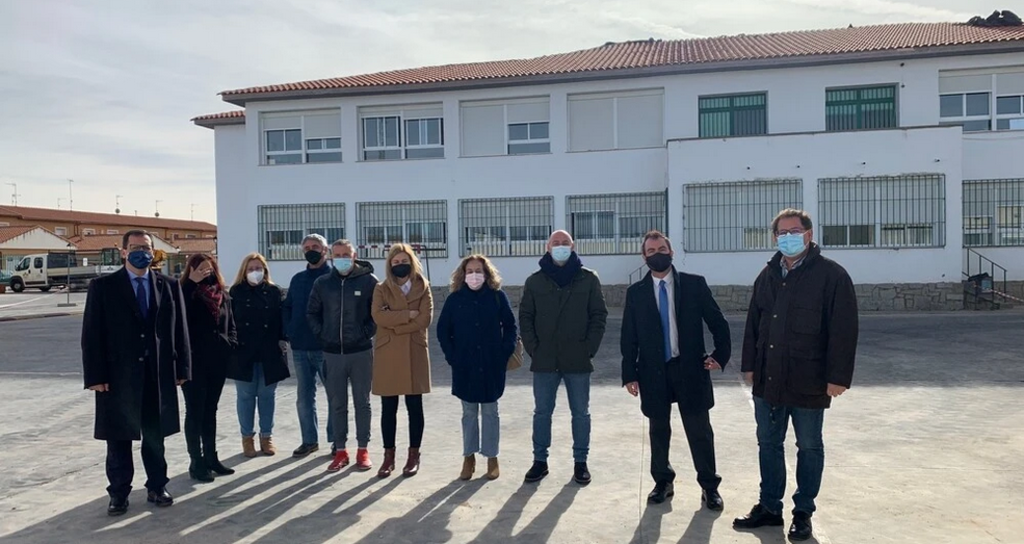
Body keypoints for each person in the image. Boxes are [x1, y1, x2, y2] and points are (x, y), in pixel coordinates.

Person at [733, 209, 858, 542]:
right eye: (782, 232)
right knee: (769, 444)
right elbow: (754, 325)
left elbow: (843, 331)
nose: (788, 237)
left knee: (809, 446)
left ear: (809, 234)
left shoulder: (832, 276)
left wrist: (838, 377)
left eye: (794, 230)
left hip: (810, 379)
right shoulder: (768, 274)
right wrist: (749, 366)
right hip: (768, 379)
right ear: (775, 238)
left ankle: (803, 512)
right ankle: (770, 507)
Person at [82, 230, 191, 516]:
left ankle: (157, 485)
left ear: (154, 252)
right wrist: (95, 376)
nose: (141, 252)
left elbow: (180, 331)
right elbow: (92, 335)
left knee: (155, 435)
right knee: (118, 438)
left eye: (147, 247)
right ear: (123, 251)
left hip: (157, 374)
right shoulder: (103, 287)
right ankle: (118, 493)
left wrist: (183, 368)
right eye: (135, 247)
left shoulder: (167, 285)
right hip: (117, 377)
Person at [621, 231, 731, 509]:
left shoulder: (694, 285)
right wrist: (629, 373)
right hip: (653, 372)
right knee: (658, 430)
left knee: (699, 431)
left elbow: (717, 322)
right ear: (644, 257)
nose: (656, 253)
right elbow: (629, 336)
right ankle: (662, 482)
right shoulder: (635, 293)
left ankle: (709, 486)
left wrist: (720, 356)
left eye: (661, 248)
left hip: (690, 369)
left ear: (671, 251)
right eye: (651, 250)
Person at [519, 230, 608, 486]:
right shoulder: (535, 281)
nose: (560, 247)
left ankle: (581, 463)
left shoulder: (588, 279)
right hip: (545, 359)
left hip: (577, 359)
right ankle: (540, 461)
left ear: (573, 246)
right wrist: (534, 347)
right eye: (555, 243)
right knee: (542, 412)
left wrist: (589, 348)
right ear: (547, 247)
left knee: (580, 413)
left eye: (564, 243)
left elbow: (598, 316)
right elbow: (525, 316)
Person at [437, 255, 517, 481]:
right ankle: (468, 457)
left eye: (478, 271)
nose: (474, 275)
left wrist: (504, 352)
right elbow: (443, 330)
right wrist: (453, 357)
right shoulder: (455, 299)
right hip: (465, 366)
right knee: (469, 412)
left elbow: (510, 326)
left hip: (492, 364)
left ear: (486, 273)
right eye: (469, 271)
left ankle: (492, 457)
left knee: (491, 412)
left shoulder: (497, 297)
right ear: (463, 274)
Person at [307, 240, 378, 473]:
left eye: (346, 254)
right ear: (331, 256)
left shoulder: (369, 282)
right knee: (337, 404)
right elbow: (312, 313)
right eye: (337, 255)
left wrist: (363, 333)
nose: (341, 258)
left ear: (354, 255)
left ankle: (362, 450)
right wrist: (323, 335)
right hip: (332, 354)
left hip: (360, 352)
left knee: (362, 403)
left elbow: (376, 314)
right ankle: (340, 451)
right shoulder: (323, 283)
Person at [370, 243, 433, 478]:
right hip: (388, 353)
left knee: (414, 406)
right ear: (390, 265)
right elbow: (377, 316)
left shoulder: (423, 287)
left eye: (404, 261)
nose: (400, 265)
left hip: (414, 351)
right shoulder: (381, 288)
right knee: (389, 407)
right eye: (395, 262)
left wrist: (394, 322)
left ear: (412, 262)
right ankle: (389, 456)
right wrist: (407, 315)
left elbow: (425, 319)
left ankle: (414, 454)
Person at [180, 254, 238, 482]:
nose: (206, 272)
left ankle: (212, 457)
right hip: (194, 361)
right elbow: (177, 314)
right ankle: (196, 461)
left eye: (209, 268)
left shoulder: (222, 293)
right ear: (191, 270)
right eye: (200, 269)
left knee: (210, 410)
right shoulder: (185, 291)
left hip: (217, 360)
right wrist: (190, 283)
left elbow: (230, 322)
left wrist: (231, 342)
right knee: (195, 411)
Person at [228, 252, 289, 458]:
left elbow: (282, 320)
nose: (255, 272)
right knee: (245, 397)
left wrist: (283, 341)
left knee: (267, 396)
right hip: (243, 352)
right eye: (251, 268)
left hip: (269, 351)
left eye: (259, 268)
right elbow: (229, 322)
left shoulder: (274, 292)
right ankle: (247, 438)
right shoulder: (235, 292)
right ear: (244, 271)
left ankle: (266, 436)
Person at [282, 234, 335, 457]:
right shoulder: (297, 279)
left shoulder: (335, 277)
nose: (311, 250)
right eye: (307, 247)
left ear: (325, 250)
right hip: (301, 348)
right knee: (304, 397)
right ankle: (309, 440)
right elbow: (287, 307)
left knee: (335, 395)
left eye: (315, 247)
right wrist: (289, 331)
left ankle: (337, 440)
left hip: (326, 348)